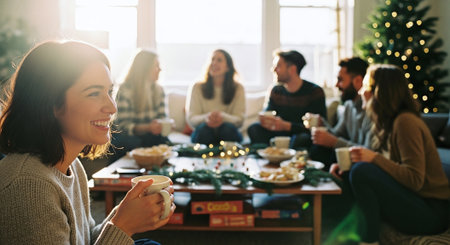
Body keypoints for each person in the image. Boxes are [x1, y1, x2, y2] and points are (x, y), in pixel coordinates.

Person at [0, 41, 175, 244]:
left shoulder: (71, 164)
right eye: (93, 93)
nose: (112, 108)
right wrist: (123, 226)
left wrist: (121, 215)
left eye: (109, 92)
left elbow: (85, 239)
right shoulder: (28, 186)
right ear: (51, 104)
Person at [330, 64, 450, 244]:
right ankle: (357, 231)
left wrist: (374, 159)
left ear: (378, 92)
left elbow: (415, 179)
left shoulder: (405, 122)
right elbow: (387, 166)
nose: (361, 91)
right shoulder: (387, 122)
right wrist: (349, 163)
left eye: (365, 87)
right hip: (416, 201)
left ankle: (369, 241)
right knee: (354, 170)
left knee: (362, 170)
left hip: (431, 212)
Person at [247, 50, 327, 149]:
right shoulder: (276, 90)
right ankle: (267, 156)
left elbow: (319, 127)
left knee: (302, 139)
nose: (274, 70)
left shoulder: (314, 92)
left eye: (278, 66)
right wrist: (265, 118)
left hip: (299, 134)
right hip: (278, 132)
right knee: (254, 128)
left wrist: (287, 126)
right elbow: (268, 112)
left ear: (292, 69)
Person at [306, 57, 371, 167]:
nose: (336, 85)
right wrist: (322, 124)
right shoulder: (349, 105)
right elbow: (337, 133)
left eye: (340, 80)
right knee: (316, 146)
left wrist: (333, 142)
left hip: (363, 163)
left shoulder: (371, 110)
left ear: (358, 81)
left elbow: (368, 151)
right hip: (349, 156)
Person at [112, 50, 169, 162]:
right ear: (145, 68)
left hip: (151, 135)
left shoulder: (159, 90)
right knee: (130, 141)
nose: (160, 69)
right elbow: (123, 126)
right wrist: (148, 127)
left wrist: (164, 125)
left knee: (161, 139)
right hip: (129, 136)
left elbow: (162, 117)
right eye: (156, 66)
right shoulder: (125, 90)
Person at [186, 49, 245, 145]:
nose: (214, 63)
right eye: (212, 59)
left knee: (227, 130)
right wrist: (207, 117)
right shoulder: (197, 87)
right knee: (204, 130)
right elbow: (192, 118)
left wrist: (222, 117)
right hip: (204, 130)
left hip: (228, 131)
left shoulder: (238, 88)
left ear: (228, 67)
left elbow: (240, 120)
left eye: (219, 60)